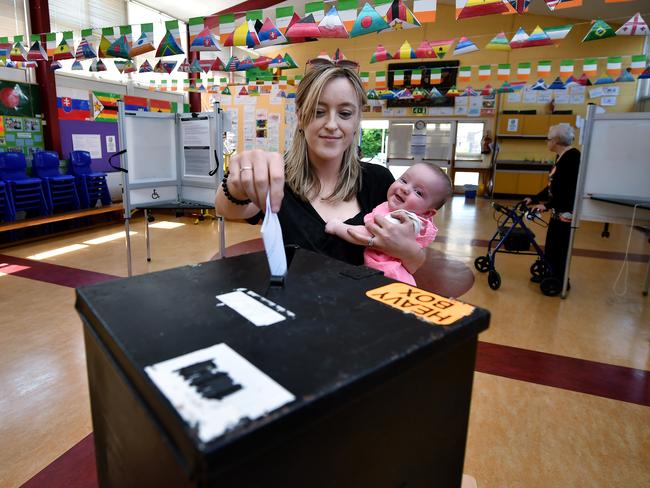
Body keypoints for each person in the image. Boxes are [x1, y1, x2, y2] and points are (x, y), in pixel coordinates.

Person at [216, 61, 426, 274]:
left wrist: (408, 251)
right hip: (293, 304)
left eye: (345, 113)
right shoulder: (277, 176)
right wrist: (237, 185)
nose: (332, 124)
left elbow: (414, 264)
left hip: (360, 305)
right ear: (300, 116)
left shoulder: (378, 181)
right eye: (318, 111)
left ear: (356, 120)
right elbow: (228, 208)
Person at [325, 163, 452, 285]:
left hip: (389, 277)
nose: (405, 189)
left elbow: (366, 235)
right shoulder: (396, 209)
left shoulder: (404, 219)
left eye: (418, 192)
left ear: (428, 213)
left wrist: (338, 227)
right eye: (404, 180)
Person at [524, 123, 580, 288]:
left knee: (560, 246)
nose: (547, 142)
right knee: (552, 244)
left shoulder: (572, 158)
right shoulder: (561, 157)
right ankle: (549, 273)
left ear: (556, 141)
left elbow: (569, 190)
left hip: (566, 211)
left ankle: (560, 280)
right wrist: (534, 199)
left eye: (548, 139)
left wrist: (547, 206)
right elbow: (553, 186)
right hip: (558, 209)